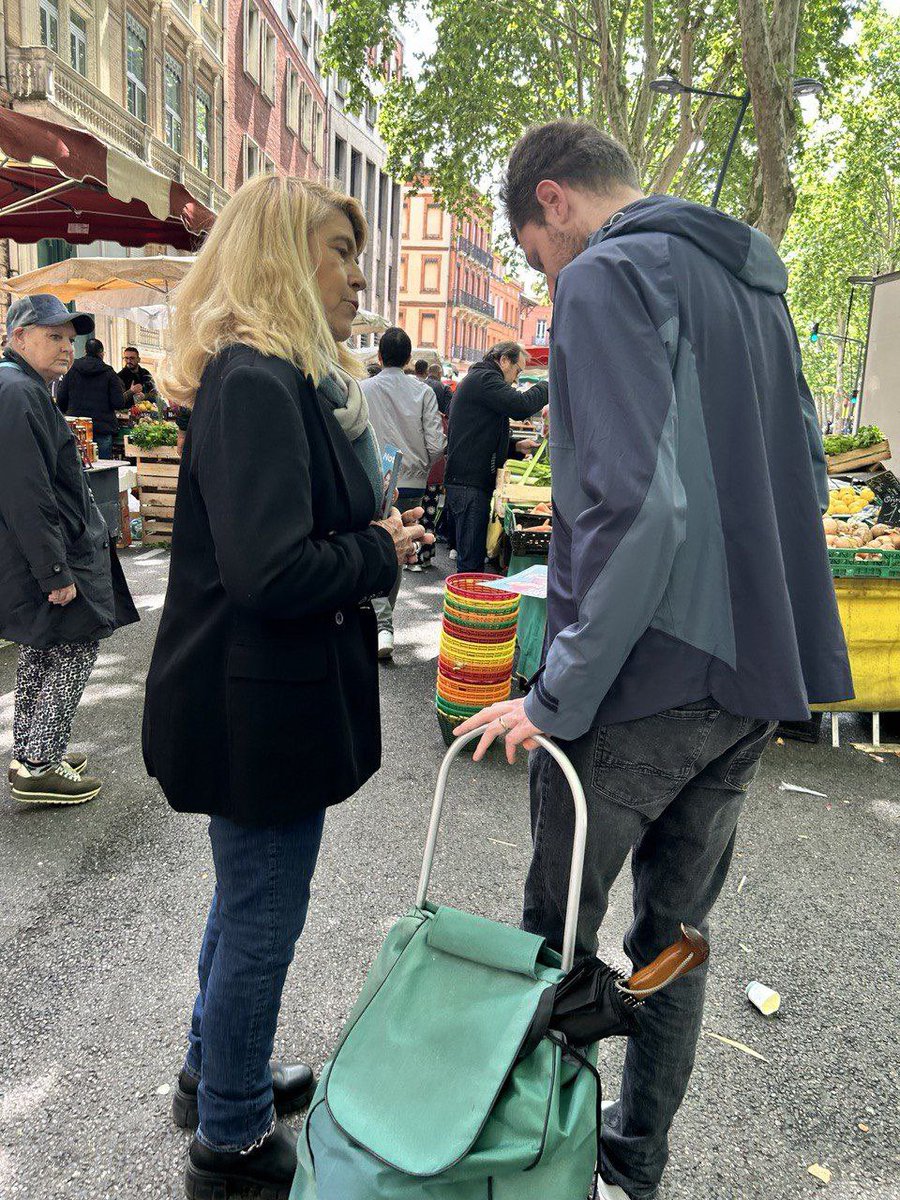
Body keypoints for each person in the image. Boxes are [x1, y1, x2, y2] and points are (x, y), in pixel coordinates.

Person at [455, 121, 853, 1200]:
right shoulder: (755, 285)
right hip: (752, 671)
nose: (545, 279)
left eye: (536, 258)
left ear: (552, 203)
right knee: (675, 939)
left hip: (641, 678)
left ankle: (546, 1165)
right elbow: (807, 478)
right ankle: (635, 1164)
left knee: (555, 943)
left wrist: (558, 688)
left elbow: (640, 504)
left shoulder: (604, 278)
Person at [141, 174, 429, 1200]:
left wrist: (365, 541)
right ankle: (230, 1140)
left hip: (262, 693)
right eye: (339, 251)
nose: (359, 273)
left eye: (358, 252)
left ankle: (212, 1071)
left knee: (245, 901)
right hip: (255, 703)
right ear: (278, 258)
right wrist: (378, 550)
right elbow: (271, 573)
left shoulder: (273, 374)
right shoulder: (258, 377)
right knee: (264, 916)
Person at [0, 296, 139, 805]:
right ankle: (38, 764)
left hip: (45, 552)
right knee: (71, 649)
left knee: (46, 649)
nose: (66, 347)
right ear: (19, 336)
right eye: (53, 336)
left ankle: (36, 750)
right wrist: (55, 571)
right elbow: (25, 492)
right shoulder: (16, 391)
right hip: (49, 555)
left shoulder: (21, 387)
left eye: (69, 337)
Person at [361, 326, 445, 658]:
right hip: (411, 482)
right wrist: (421, 464)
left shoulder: (362, 388)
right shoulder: (423, 393)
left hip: (372, 481)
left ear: (379, 356)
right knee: (396, 552)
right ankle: (383, 624)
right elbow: (437, 444)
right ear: (410, 359)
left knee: (376, 544)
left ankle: (379, 624)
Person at [444, 342, 548, 573]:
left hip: (468, 483)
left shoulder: (480, 381)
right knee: (470, 565)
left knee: (471, 560)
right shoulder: (485, 380)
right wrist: (550, 385)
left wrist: (514, 446)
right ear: (503, 361)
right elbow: (521, 405)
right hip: (469, 485)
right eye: (517, 371)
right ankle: (467, 608)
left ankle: (467, 606)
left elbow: (481, 434)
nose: (515, 379)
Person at [57, 337, 131, 460]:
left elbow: (61, 400)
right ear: (101, 353)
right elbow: (118, 402)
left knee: (78, 465)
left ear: (85, 351)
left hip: (78, 428)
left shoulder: (71, 369)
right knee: (103, 468)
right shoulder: (109, 372)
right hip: (102, 428)